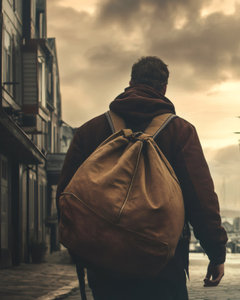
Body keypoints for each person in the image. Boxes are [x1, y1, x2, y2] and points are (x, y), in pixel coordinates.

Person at [56, 56, 228, 300]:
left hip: (104, 263)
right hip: (163, 266)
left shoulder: (90, 131)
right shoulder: (180, 132)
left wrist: (81, 251)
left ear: (130, 82)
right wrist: (216, 253)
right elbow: (201, 199)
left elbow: (66, 194)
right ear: (165, 87)